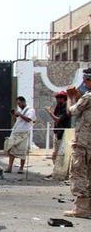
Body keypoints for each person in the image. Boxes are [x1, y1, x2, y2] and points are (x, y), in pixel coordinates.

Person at [63, 69, 91, 218]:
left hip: (84, 143)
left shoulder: (88, 96)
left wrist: (70, 97)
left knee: (79, 172)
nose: (84, 83)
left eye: (86, 80)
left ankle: (82, 208)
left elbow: (72, 111)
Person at [5, 96, 36, 174]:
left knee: (22, 151)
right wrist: (15, 114)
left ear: (23, 102)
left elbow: (29, 119)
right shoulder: (21, 111)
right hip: (16, 133)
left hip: (23, 134)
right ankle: (9, 167)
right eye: (18, 104)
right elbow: (20, 120)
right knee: (12, 150)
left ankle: (21, 168)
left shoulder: (31, 110)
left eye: (19, 103)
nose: (18, 105)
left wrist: (20, 114)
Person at [45, 91, 70, 164]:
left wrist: (49, 112)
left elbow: (58, 119)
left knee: (61, 153)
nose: (57, 100)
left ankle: (60, 172)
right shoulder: (58, 106)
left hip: (63, 133)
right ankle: (55, 171)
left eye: (59, 98)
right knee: (55, 153)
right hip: (57, 133)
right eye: (57, 98)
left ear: (63, 98)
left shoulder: (66, 107)